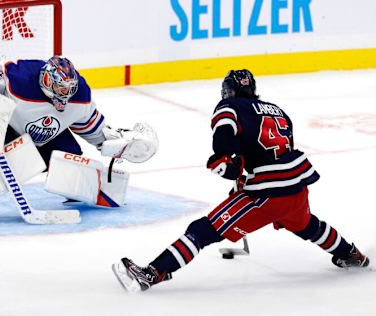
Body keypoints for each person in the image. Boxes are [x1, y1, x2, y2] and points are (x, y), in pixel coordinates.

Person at [112, 69, 370, 292]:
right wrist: (243, 171)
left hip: (268, 193)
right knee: (308, 226)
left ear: (228, 91)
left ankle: (152, 273)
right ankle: (350, 254)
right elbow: (273, 150)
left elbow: (226, 146)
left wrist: (226, 163)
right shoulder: (278, 110)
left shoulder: (229, 107)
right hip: (297, 187)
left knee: (203, 230)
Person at [0, 56, 155, 165]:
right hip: (6, 131)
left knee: (72, 161)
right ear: (46, 79)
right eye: (59, 87)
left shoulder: (79, 98)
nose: (63, 93)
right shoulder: (21, 75)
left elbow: (92, 128)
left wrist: (116, 144)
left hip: (44, 142)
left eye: (67, 88)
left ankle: (80, 190)